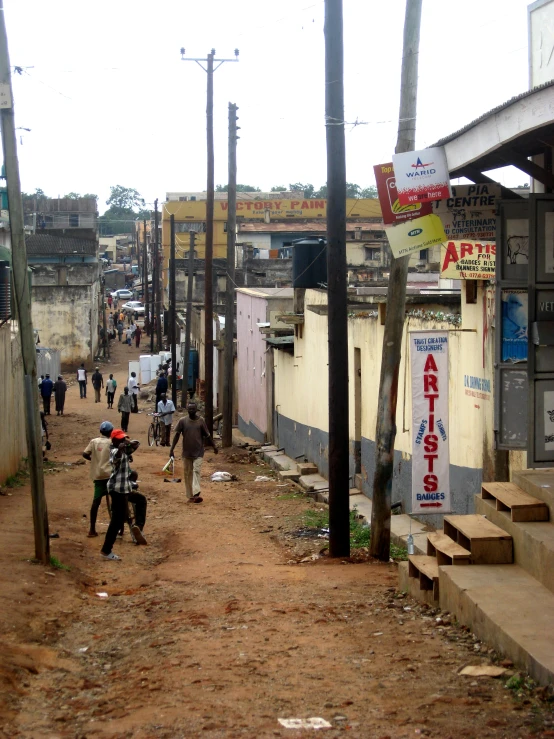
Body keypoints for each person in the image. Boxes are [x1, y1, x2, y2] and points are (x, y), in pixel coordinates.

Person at [100, 430, 147, 560]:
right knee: (117, 520)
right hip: (117, 490)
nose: (122, 441)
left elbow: (136, 444)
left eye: (123, 439)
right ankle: (106, 550)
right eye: (120, 440)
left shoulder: (125, 450)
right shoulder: (114, 452)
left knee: (141, 500)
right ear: (114, 441)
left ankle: (139, 527)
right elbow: (116, 457)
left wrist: (127, 443)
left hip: (124, 489)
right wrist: (121, 449)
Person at [169, 401, 218, 504]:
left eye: (193, 409)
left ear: (196, 410)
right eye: (189, 409)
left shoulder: (201, 421)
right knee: (187, 474)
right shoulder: (182, 421)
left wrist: (214, 446)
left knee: (196, 471)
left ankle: (196, 493)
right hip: (186, 453)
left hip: (198, 452)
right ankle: (190, 496)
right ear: (187, 409)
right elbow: (177, 435)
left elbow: (208, 435)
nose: (191, 410)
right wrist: (171, 449)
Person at [83, 421, 114, 538]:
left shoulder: (94, 442)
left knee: (96, 502)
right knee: (116, 499)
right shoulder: (112, 442)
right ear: (111, 432)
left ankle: (92, 529)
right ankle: (118, 526)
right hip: (110, 475)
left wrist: (94, 460)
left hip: (98, 475)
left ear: (100, 431)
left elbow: (85, 454)